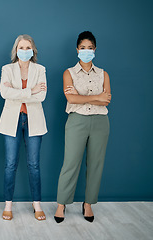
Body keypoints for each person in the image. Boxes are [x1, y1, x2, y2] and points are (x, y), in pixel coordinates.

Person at [54, 31, 111, 223]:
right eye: (83, 48)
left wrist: (81, 96)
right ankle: (61, 204)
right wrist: (96, 97)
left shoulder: (104, 74)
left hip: (100, 122)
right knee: (70, 163)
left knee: (96, 164)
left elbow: (106, 101)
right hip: (77, 120)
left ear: (95, 50)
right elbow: (71, 98)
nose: (86, 51)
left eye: (90, 48)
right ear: (77, 49)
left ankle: (88, 204)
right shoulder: (68, 73)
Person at [0, 34, 48, 221]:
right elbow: (4, 92)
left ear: (33, 50)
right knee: (10, 164)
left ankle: (37, 205)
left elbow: (41, 96)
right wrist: (30, 91)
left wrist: (17, 92)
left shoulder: (41, 69)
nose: (24, 51)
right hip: (11, 120)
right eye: (21, 47)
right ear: (15, 50)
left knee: (34, 165)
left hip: (34, 120)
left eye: (28, 48)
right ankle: (8, 205)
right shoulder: (7, 69)